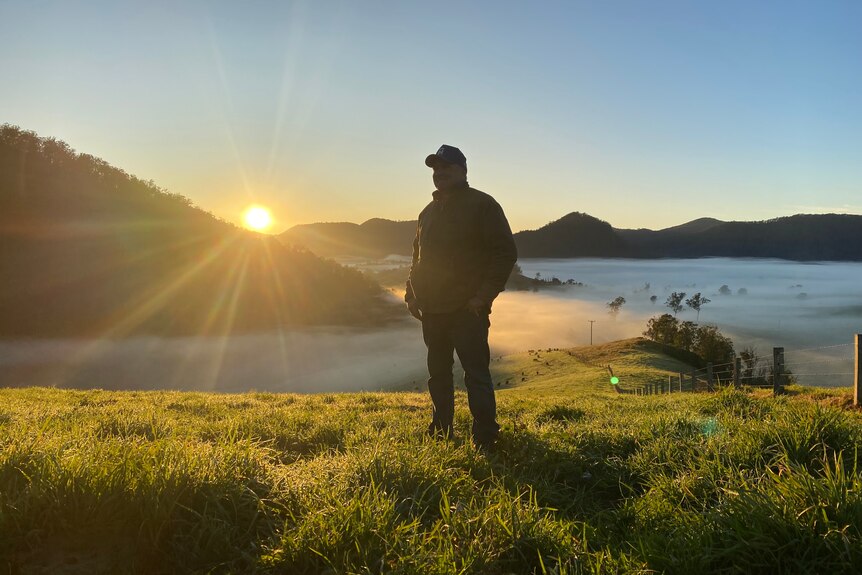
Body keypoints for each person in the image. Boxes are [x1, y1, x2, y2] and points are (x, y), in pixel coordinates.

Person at [405, 144, 517, 451]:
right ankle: (441, 431)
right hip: (432, 309)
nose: (439, 173)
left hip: (468, 309)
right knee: (437, 374)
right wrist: (410, 295)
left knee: (476, 374)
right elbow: (417, 258)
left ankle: (486, 437)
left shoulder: (483, 204)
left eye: (447, 168)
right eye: (435, 169)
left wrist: (482, 297)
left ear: (463, 170)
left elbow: (505, 253)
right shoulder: (426, 213)